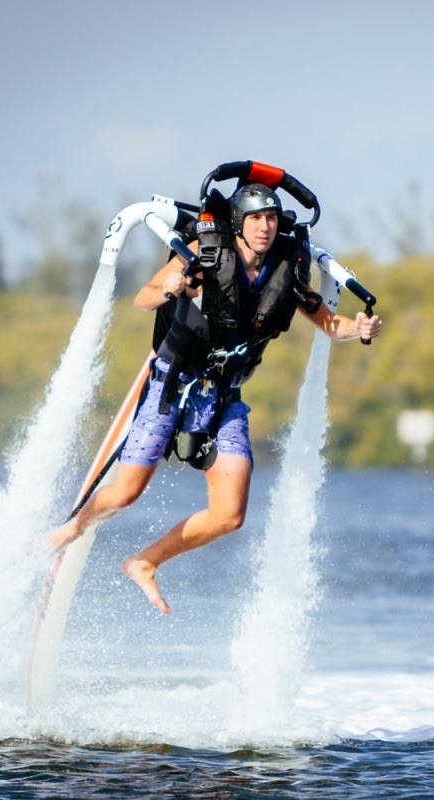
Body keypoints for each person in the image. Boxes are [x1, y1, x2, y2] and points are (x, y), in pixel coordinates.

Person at [48, 181, 382, 614]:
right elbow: (142, 299)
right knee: (125, 493)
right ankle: (71, 529)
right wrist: (174, 287)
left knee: (229, 515)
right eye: (256, 219)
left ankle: (145, 562)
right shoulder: (205, 255)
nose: (265, 227)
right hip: (173, 383)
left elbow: (330, 324)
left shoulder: (287, 267)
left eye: (271, 219)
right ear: (239, 224)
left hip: (223, 397)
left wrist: (360, 328)